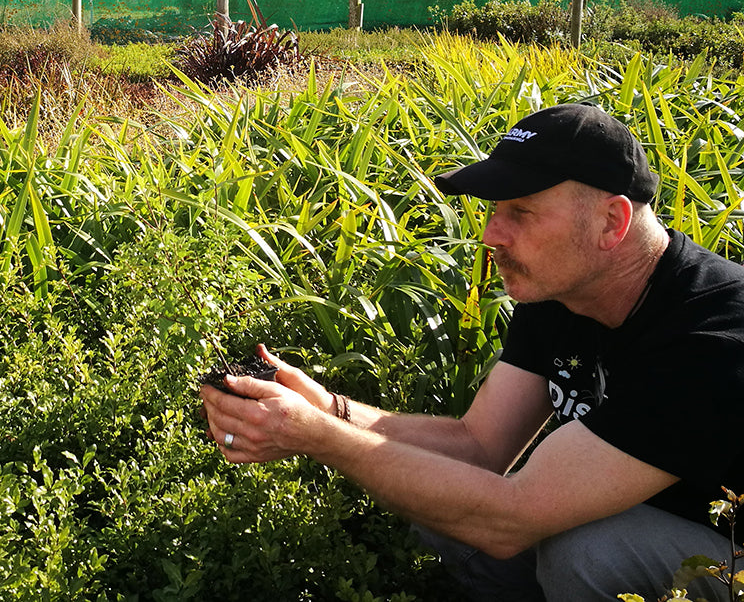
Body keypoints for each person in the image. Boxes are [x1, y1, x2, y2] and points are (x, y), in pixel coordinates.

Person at [199, 103, 744, 601]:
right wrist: (328, 409)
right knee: (437, 491)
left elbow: (512, 516)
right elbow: (479, 445)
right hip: (635, 510)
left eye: (521, 212)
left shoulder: (715, 337)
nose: (492, 235)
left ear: (611, 222)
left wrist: (317, 437)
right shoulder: (563, 286)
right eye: (494, 209)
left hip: (728, 550)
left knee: (586, 554)